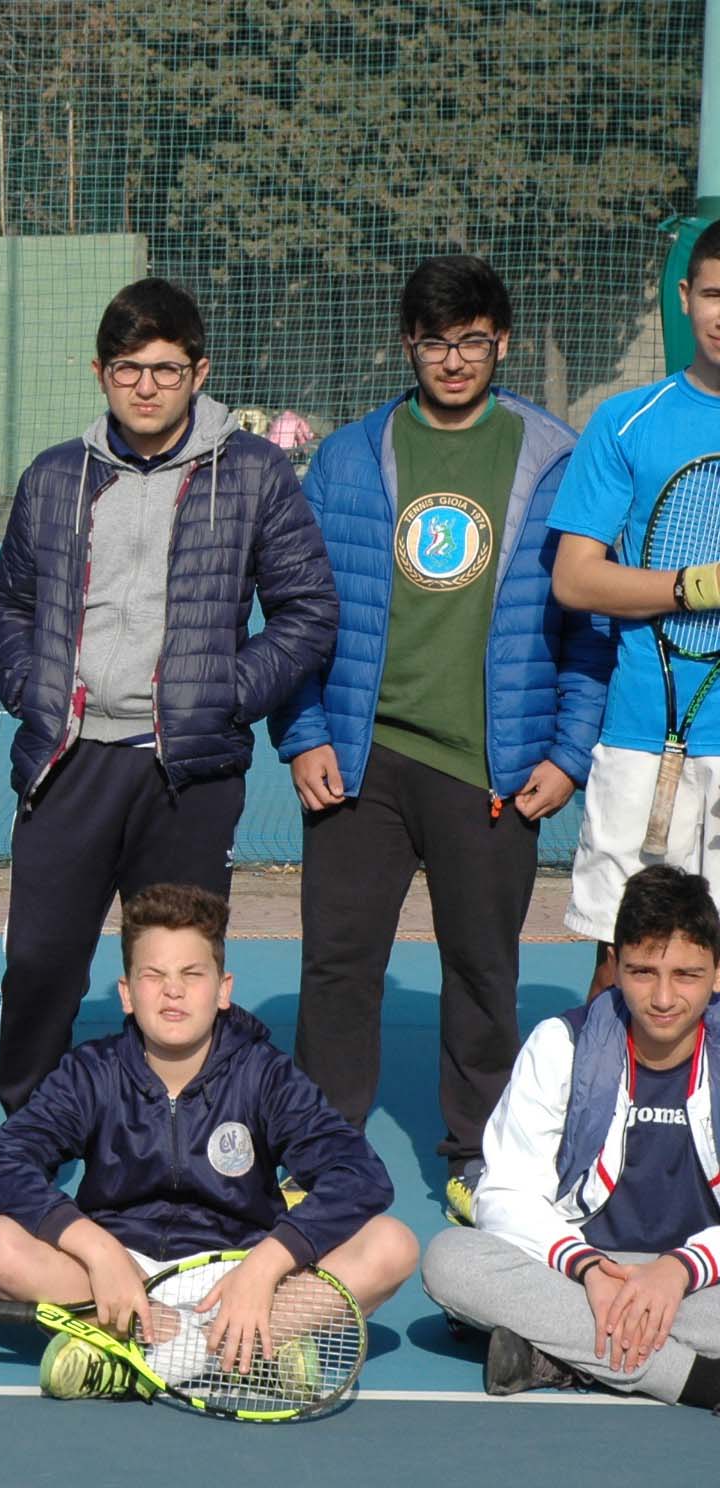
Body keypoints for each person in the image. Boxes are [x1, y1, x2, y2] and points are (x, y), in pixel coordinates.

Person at [273, 255, 605, 1222]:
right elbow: (299, 608)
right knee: (338, 967)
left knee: (483, 972)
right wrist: (303, 732)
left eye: (471, 341)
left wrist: (567, 755)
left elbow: (589, 625)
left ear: (502, 342)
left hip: (492, 768)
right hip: (361, 760)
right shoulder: (348, 457)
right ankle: (324, 1155)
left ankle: (478, 1158)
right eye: (433, 342)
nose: (453, 360)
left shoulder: (556, 457)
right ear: (407, 345)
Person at [0, 277, 337, 1116]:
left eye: (167, 369)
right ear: (100, 372)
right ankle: (31, 1127)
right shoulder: (55, 475)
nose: (146, 387)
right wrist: (31, 687)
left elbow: (308, 611)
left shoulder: (253, 473)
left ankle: (176, 1132)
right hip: (68, 764)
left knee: (175, 974)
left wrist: (222, 693)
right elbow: (9, 604)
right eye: (128, 368)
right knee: (39, 964)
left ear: (199, 372)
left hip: (186, 773)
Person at [0, 883, 418, 1400]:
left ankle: (138, 1351)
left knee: (392, 1246)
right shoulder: (91, 1073)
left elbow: (359, 1175)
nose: (173, 991)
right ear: (127, 993)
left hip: (237, 1274)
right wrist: (97, 1249)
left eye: (192, 974)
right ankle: (245, 1349)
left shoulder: (264, 1074)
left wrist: (267, 1265)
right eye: (153, 975)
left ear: (223, 990)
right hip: (120, 1273)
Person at [422, 865, 720, 1407]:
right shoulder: (562, 1044)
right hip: (579, 1272)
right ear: (614, 965)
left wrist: (678, 1269)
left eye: (686, 974)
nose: (662, 997)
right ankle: (699, 1381)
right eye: (643, 971)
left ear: (717, 974)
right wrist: (589, 1269)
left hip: (697, 1280)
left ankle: (559, 1354)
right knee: (450, 1260)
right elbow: (505, 1192)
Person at [550, 220, 720, 997]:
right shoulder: (624, 421)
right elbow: (575, 579)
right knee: (625, 963)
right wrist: (692, 586)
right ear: (685, 298)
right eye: (714, 294)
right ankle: (601, 1084)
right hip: (642, 741)